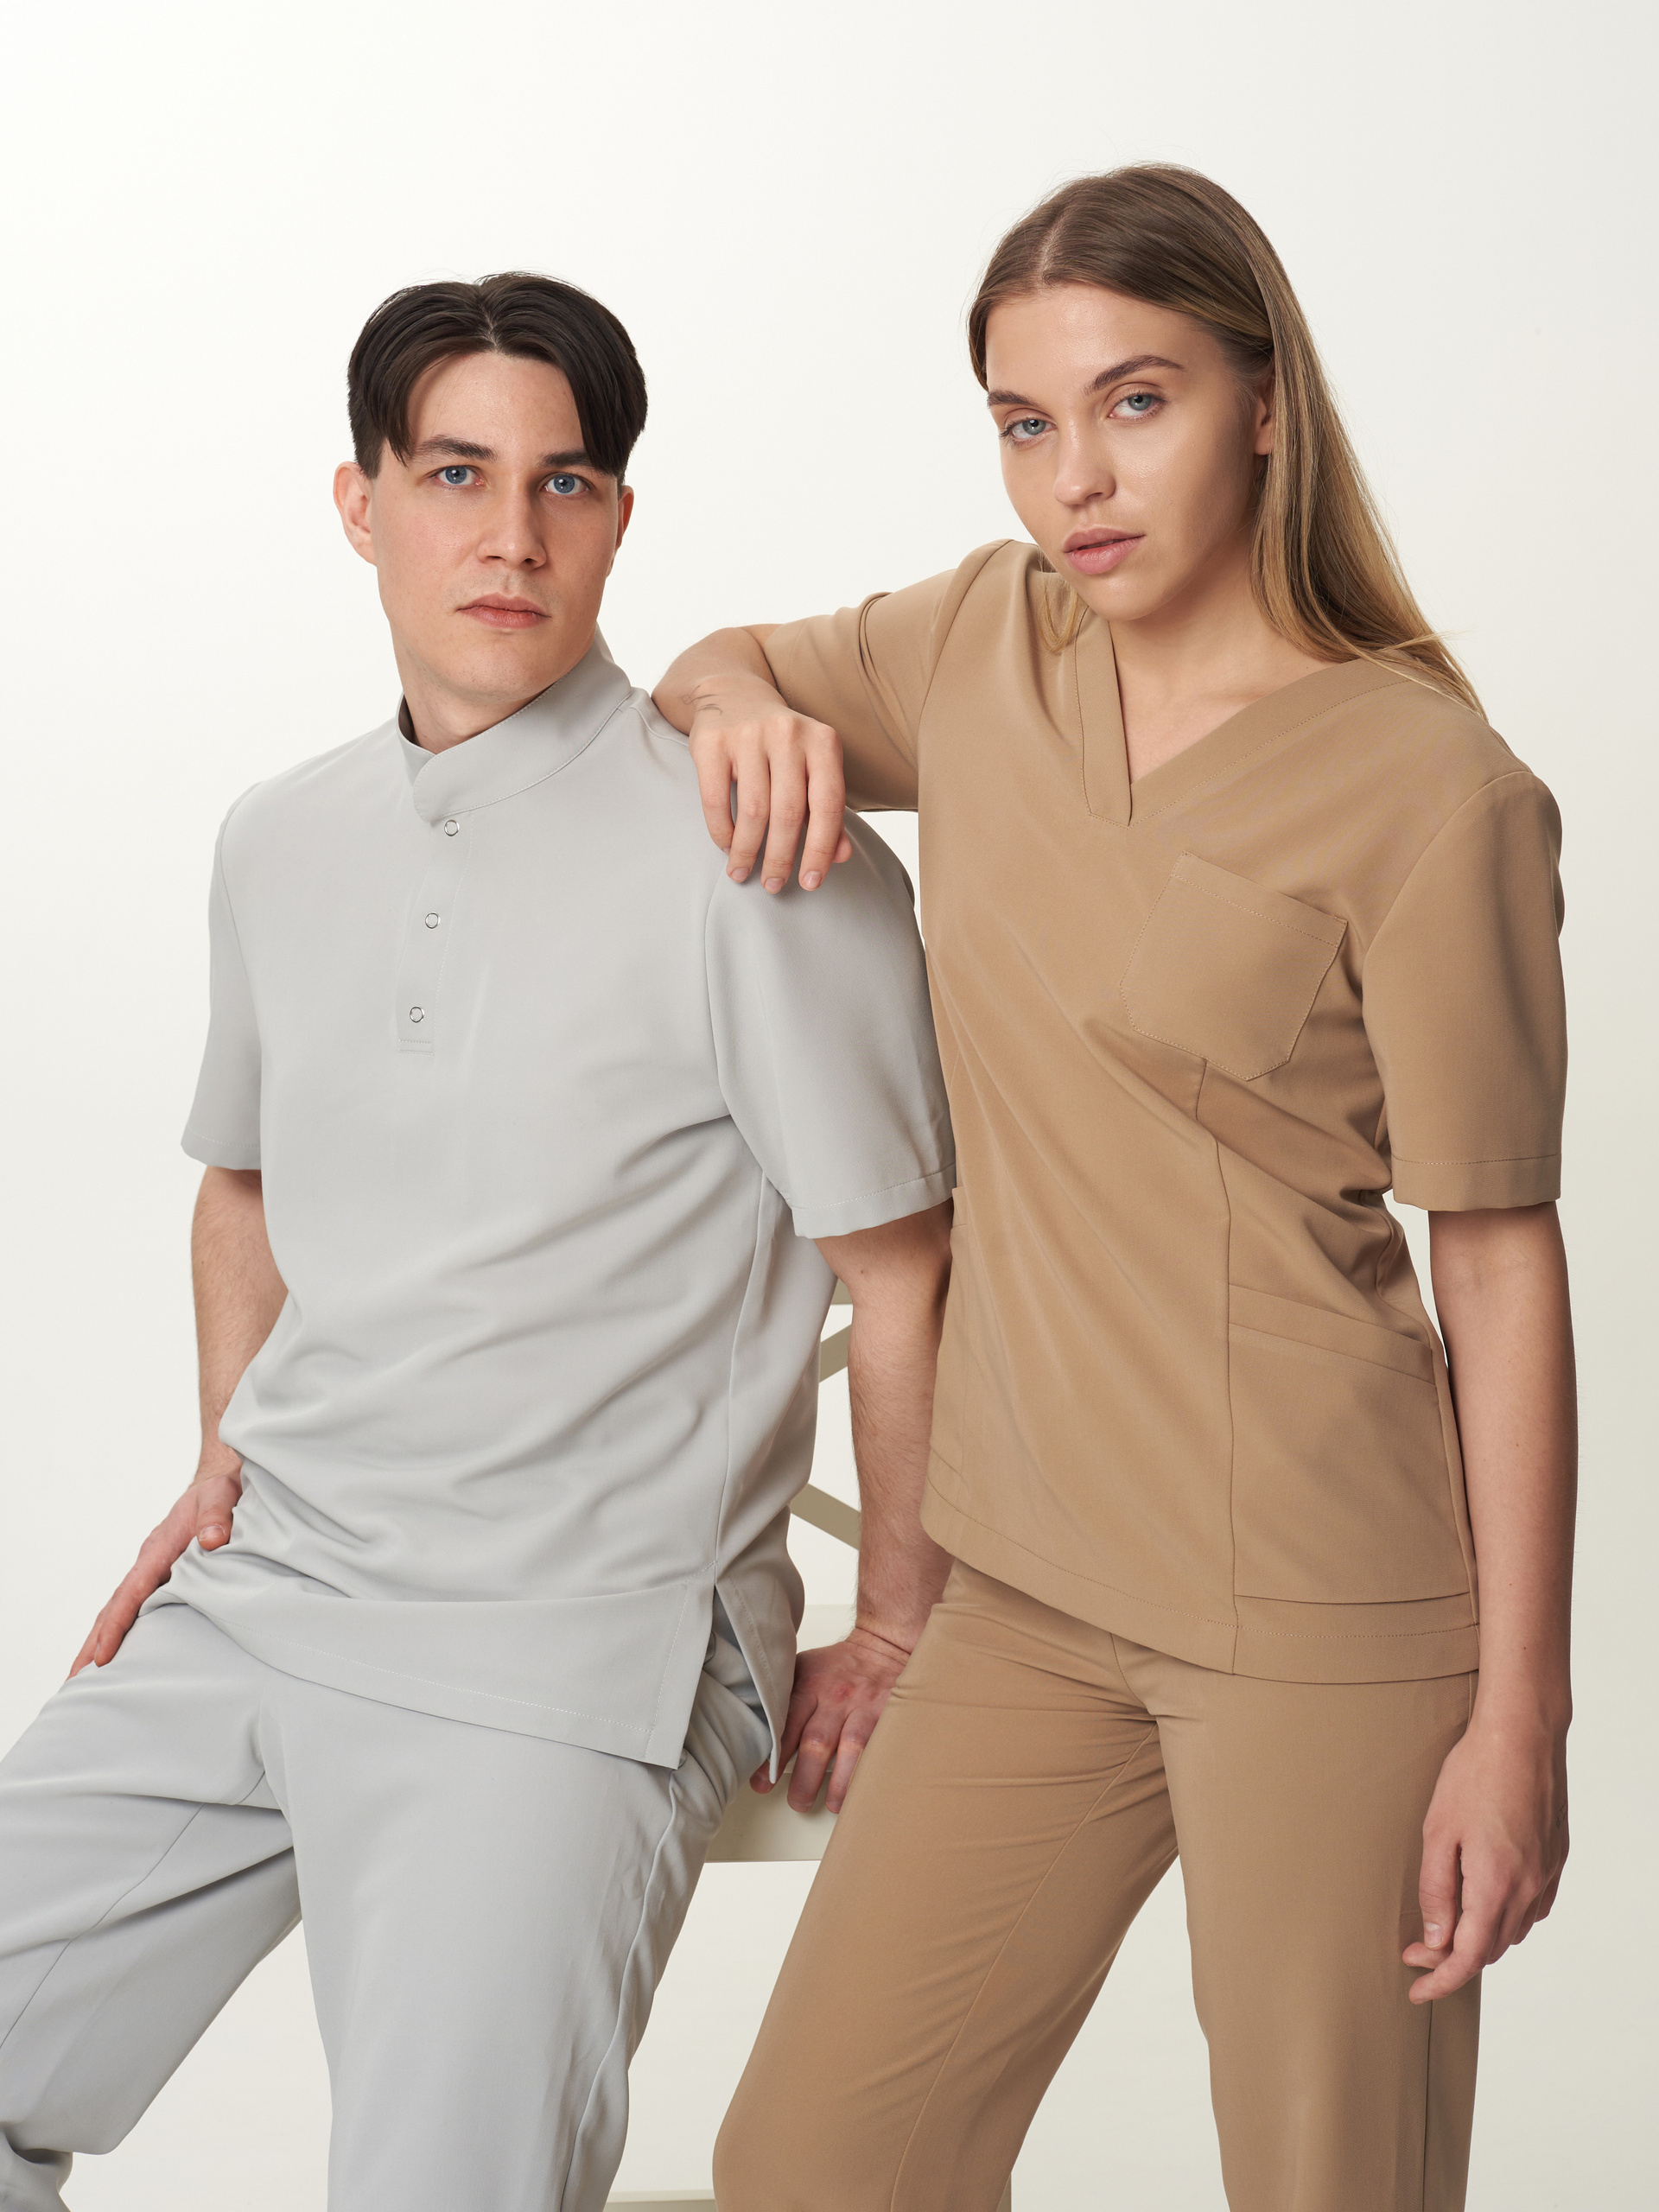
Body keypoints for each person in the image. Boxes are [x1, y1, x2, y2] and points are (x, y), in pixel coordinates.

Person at [655, 165, 1575, 2212]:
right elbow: (713, 660)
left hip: (1317, 1603)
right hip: (1028, 1589)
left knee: (1334, 2184)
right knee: (815, 2161)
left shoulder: (1436, 789)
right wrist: (744, 713)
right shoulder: (986, 642)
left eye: (1135, 402)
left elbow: (1502, 1263)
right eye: (1024, 421)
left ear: (1266, 402)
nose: (1074, 476)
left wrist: (1521, 1718)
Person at [0, 274, 956, 2212]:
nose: (511, 534)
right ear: (360, 504)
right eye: (455, 475)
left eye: (564, 482)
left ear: (617, 518)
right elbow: (241, 1185)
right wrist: (223, 1460)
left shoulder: (757, 848)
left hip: (572, 1640)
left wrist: (899, 1617)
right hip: (273, 1588)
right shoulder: (279, 834)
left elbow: (906, 1272)